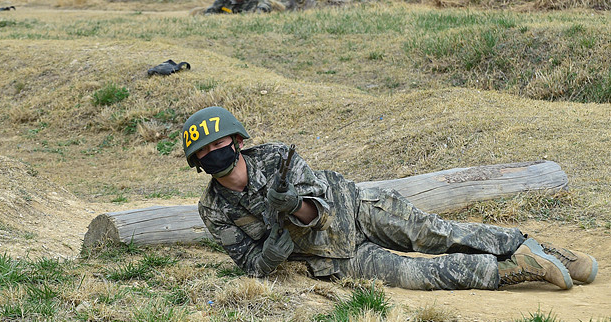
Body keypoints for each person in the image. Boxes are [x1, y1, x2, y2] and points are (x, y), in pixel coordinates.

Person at [182, 106, 598, 291]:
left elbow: (320, 212)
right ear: (196, 162)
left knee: (438, 235)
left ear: (236, 140)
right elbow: (250, 266)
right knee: (417, 276)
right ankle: (518, 269)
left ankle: (544, 249)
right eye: (202, 152)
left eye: (217, 143)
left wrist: (292, 206)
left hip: (358, 210)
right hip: (332, 260)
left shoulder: (276, 158)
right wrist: (272, 254)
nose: (212, 154)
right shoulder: (213, 209)